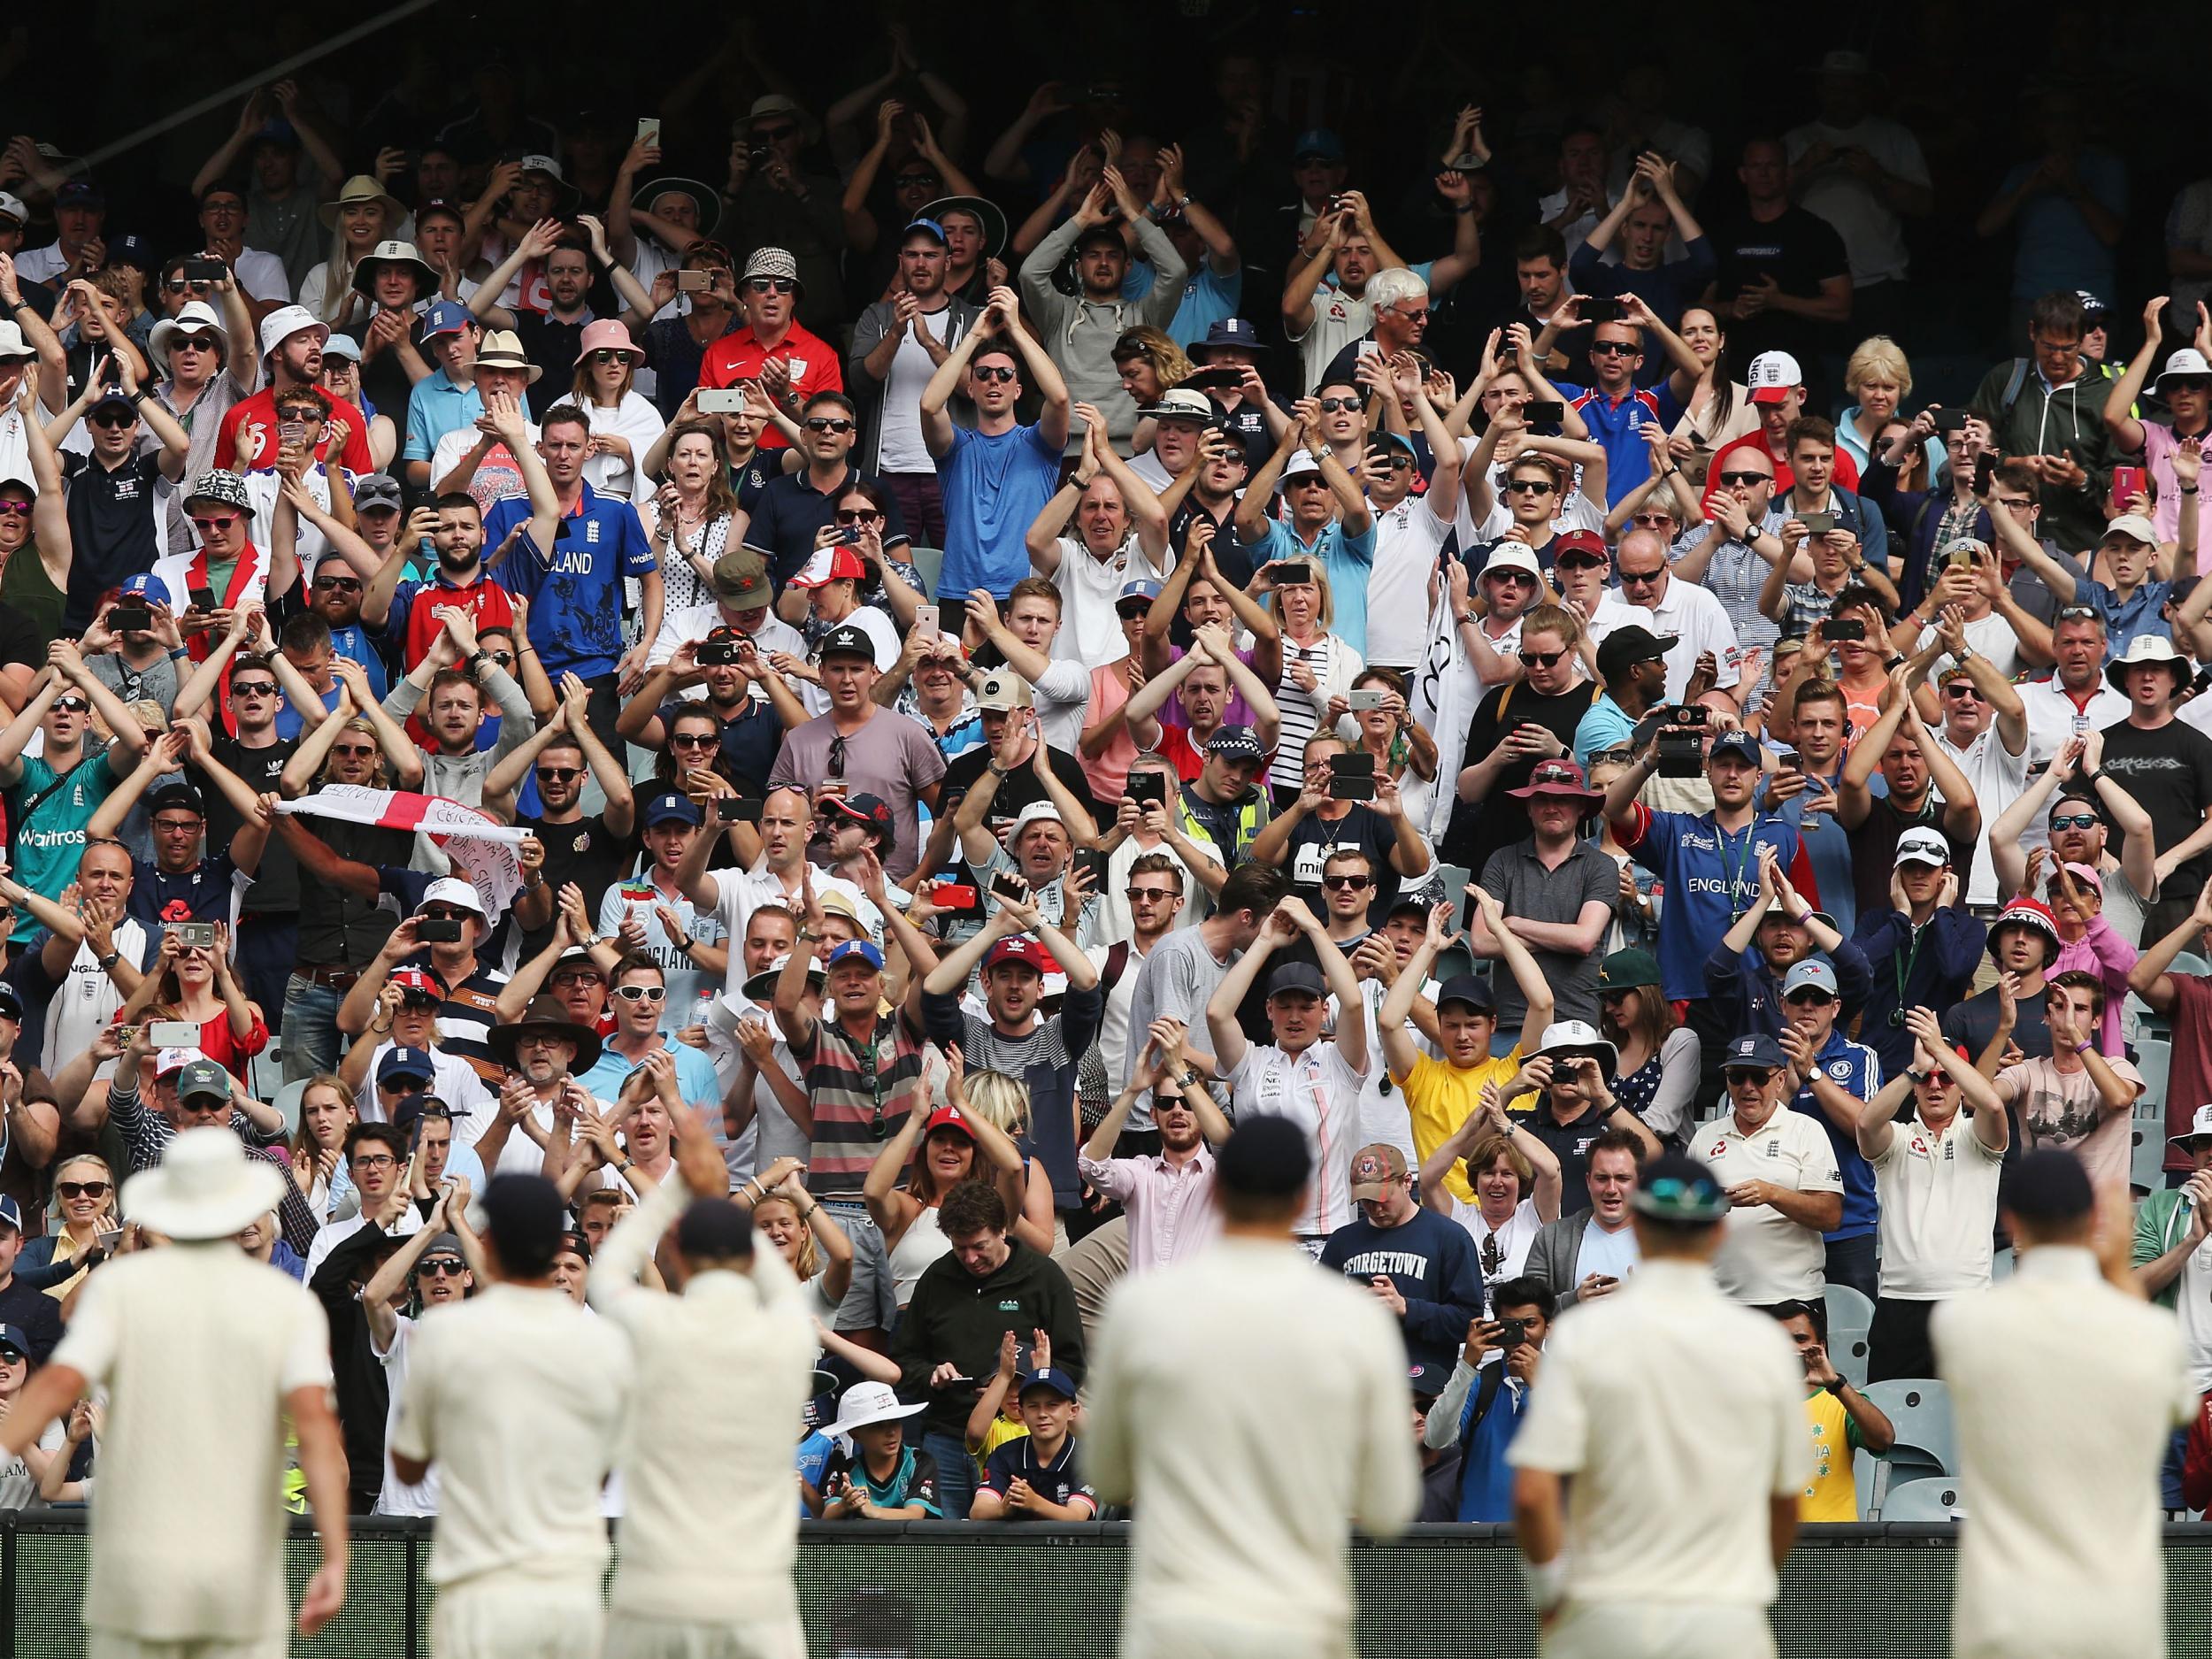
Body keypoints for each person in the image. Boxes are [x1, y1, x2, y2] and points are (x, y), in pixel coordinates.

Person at [0, 1129, 349, 1647]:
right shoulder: (286, 1305)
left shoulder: (122, 1290)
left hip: (140, 1572)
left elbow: (51, 1391)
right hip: (239, 1572)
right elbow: (320, 1441)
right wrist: (338, 1559)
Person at [1087, 1116, 1417, 1657]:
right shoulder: (1355, 1321)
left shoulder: (1142, 1309)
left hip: (1175, 1625)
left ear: (1215, 1190)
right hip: (1297, 1626)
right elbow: (1387, 1505)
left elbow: (1110, 1477)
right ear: (1302, 1199)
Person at [1509, 1152, 1808, 1657]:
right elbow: (1785, 1504)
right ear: (1719, 1235)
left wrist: (1550, 1594)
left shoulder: (1582, 1337)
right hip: (1723, 1622)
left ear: (1640, 1227)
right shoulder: (1765, 1348)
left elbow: (1534, 1495)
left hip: (1603, 1614)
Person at [1935, 1150, 2193, 1659]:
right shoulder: (2152, 1335)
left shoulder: (1963, 1323)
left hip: (2005, 1615)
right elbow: (2181, 1406)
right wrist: (2118, 1266)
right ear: (2098, 1217)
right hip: (2118, 1617)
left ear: (2011, 1222)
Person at [587, 1106, 816, 1659]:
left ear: (681, 1264)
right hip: (756, 1604)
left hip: (656, 1599)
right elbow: (784, 1290)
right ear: (748, 1259)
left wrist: (682, 1193)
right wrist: (722, 1204)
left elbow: (606, 1275)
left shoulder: (656, 1325)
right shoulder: (788, 1333)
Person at [388, 1174, 631, 1659]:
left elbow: (409, 1465)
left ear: (490, 1242)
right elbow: (601, 1472)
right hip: (569, 1594)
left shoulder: (445, 1336)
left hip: (478, 1595)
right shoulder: (605, 1344)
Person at [891, 1179, 1085, 1526]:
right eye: (959, 1247)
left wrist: (1020, 1381)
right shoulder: (937, 1278)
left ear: (1002, 1230)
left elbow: (1072, 1365)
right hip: (948, 1435)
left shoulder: (1044, 1278)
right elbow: (905, 1359)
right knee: (945, 1553)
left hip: (1023, 1442)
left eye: (979, 1246)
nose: (970, 1258)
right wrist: (932, 1376)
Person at [1853, 1005, 2009, 1383]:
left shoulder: (1978, 1135)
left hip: (1967, 1303)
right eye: (1928, 1080)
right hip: (1899, 1305)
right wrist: (1913, 1071)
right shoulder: (1899, 1137)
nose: (1935, 1085)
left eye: (1945, 1078)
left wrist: (1939, 1051)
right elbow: (1865, 1122)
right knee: (1891, 1428)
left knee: (1965, 1432)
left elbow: (1990, 1102)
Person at [1205, 896, 1370, 1246]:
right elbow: (1218, 1013)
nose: (1295, 1017)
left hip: (1330, 1232)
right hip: (1261, 1233)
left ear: (1325, 1010)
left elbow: (1353, 1001)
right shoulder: (1252, 1062)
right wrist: (1265, 941)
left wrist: (1312, 925)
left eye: (1306, 1006)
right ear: (1269, 1010)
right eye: (1284, 1006)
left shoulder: (1338, 1061)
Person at [1700, 1033, 1845, 1305]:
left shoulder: (1806, 1130)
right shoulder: (1705, 1137)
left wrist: (1772, 1194)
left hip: (1793, 1299)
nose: (1748, 1087)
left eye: (1759, 1077)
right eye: (1737, 1077)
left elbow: (1831, 1215)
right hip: (1720, 1302)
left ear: (1780, 1081)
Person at [1321, 1143, 1486, 1376]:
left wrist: (1406, 1308)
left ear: (1407, 1182)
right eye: (1366, 1200)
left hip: (1422, 1388)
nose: (1375, 1208)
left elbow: (1468, 1322)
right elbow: (1318, 1320)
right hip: (1358, 1380)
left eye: (1383, 1197)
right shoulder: (1342, 1242)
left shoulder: (1449, 1237)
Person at [1769, 1300, 1895, 1522]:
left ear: (1822, 1346)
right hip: (1773, 1542)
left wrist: (1835, 1383)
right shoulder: (1753, 1404)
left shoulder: (1841, 1400)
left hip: (1833, 1544)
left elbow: (1884, 1438)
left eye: (1800, 1339)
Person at [1525, 1131, 1644, 1310]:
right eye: (1602, 1178)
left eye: (1622, 1178)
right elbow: (1525, 1309)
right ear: (1588, 1181)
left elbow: (1693, 1311)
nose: (1611, 1189)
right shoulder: (1552, 1238)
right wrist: (1574, 1300)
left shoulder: (1668, 1242)